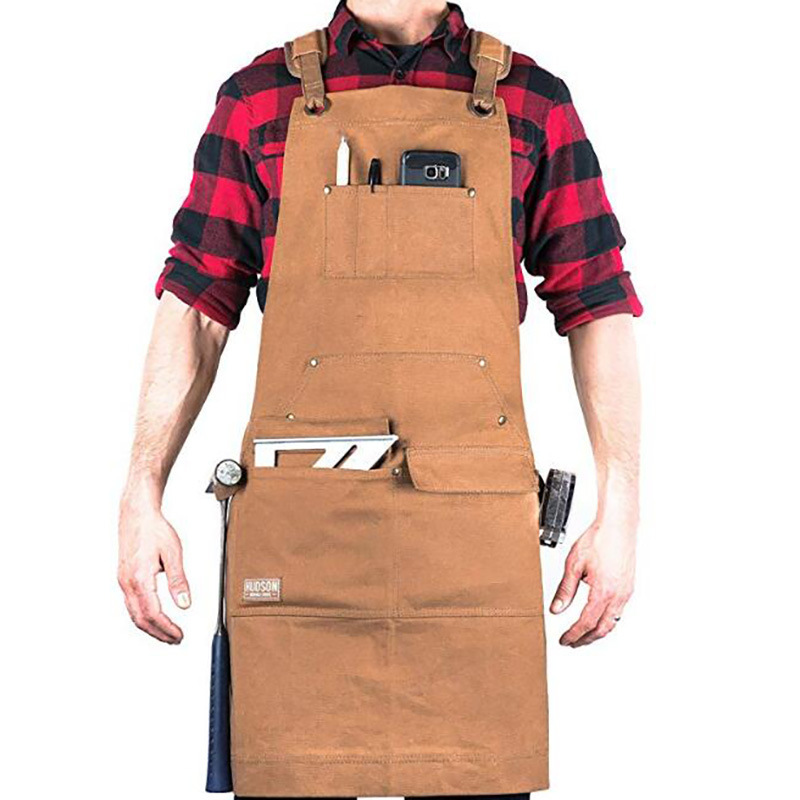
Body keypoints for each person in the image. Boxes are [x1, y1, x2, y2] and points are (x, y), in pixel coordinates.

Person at [118, 2, 642, 797]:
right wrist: (140, 493)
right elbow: (195, 305)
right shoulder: (258, 99)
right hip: (304, 544)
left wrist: (621, 512)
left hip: (469, 549)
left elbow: (596, 301)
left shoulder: (533, 102)